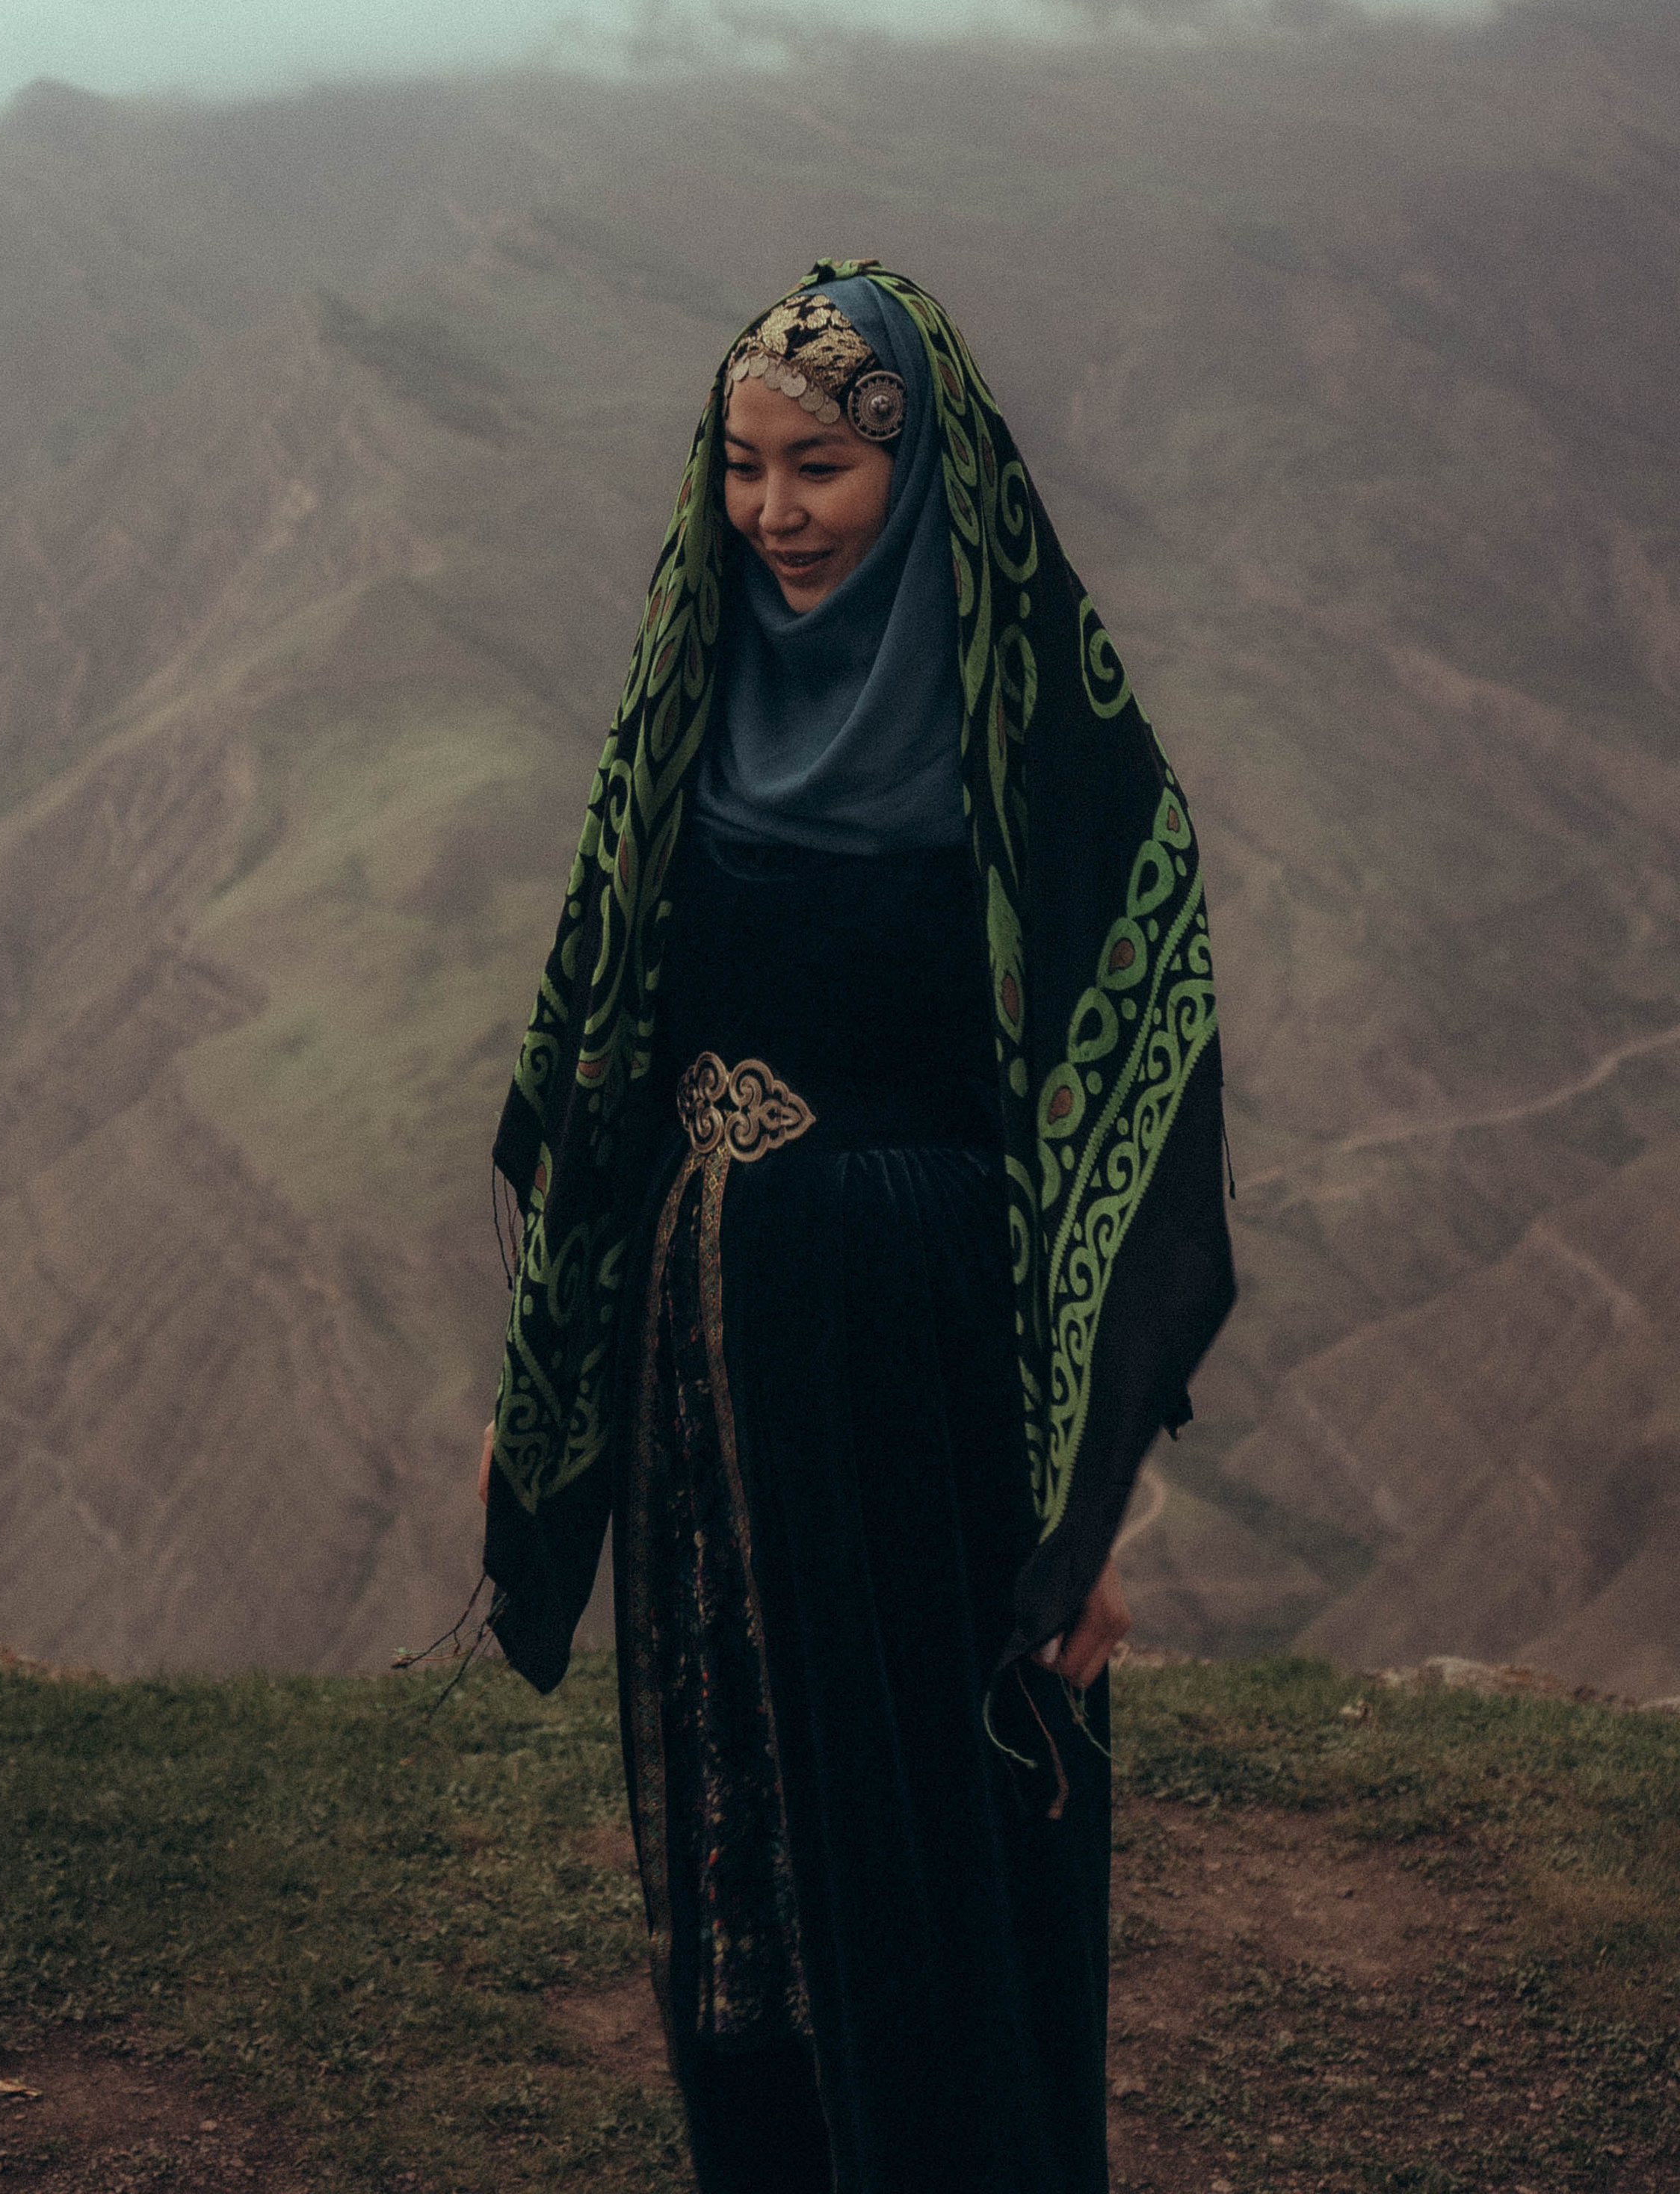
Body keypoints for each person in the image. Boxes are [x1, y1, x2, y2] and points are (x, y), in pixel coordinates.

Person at [478, 263, 1235, 2193]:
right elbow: (611, 1062)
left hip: (924, 1386)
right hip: (701, 1381)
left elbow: (1120, 1159)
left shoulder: (1049, 770)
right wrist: (548, 1376)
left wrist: (1096, 1517)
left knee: (935, 1835)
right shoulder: (693, 712)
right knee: (744, 1823)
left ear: (923, 473)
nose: (774, 515)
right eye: (741, 467)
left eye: (820, 467)